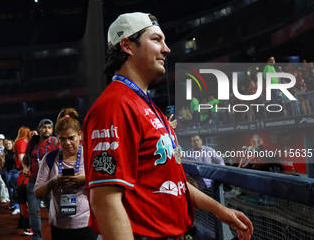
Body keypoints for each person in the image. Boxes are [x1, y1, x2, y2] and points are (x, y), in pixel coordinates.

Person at [82, 12, 253, 240]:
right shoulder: (114, 105)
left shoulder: (145, 105)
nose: (166, 48)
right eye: (156, 39)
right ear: (127, 46)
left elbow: (171, 182)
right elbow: (105, 201)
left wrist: (219, 209)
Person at [34, 108, 98, 240]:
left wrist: (86, 179)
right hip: (59, 226)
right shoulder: (50, 158)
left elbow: (107, 183)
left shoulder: (91, 155)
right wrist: (54, 182)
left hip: (87, 223)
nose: (67, 143)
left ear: (80, 135)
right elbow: (37, 192)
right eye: (62, 139)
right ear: (56, 138)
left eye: (71, 138)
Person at [23, 119, 59, 240]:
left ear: (52, 130)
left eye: (49, 128)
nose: (46, 130)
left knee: (53, 211)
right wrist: (25, 167)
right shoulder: (33, 142)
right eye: (44, 127)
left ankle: (57, 235)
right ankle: (37, 237)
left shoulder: (55, 141)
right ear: (39, 129)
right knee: (33, 212)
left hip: (50, 183)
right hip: (33, 182)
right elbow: (25, 156)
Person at [14, 126, 32, 234]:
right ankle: (29, 226)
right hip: (24, 175)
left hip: (22, 175)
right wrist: (28, 169)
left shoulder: (19, 142)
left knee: (24, 201)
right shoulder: (21, 142)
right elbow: (21, 160)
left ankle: (25, 223)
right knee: (27, 202)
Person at [2, 139, 20, 211]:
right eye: (6, 144)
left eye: (9, 144)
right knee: (10, 190)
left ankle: (17, 206)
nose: (8, 145)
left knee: (15, 189)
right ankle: (13, 203)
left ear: (12, 144)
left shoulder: (16, 152)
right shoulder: (4, 154)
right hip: (7, 172)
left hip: (15, 172)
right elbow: (3, 166)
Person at [0, 134, 10, 204]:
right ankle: (3, 198)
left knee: (6, 182)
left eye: (0, 139)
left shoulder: (5, 148)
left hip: (5, 167)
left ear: (3, 140)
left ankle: (6, 197)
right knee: (1, 182)